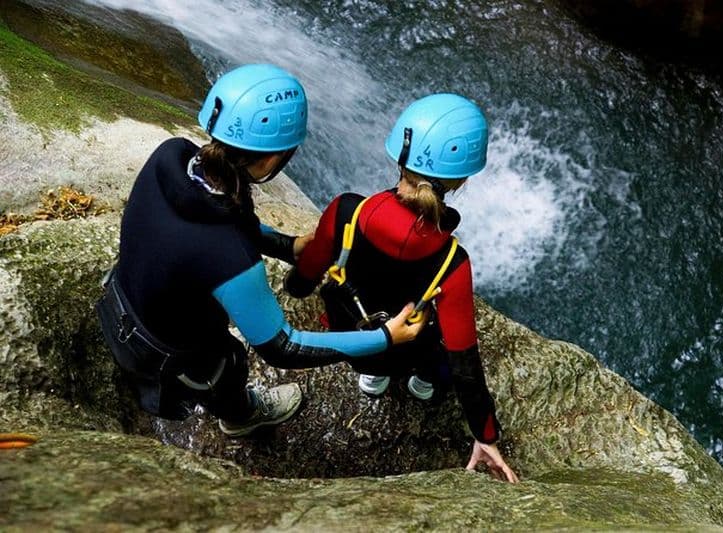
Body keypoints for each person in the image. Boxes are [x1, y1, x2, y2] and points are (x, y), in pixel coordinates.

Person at [95, 64, 424, 438]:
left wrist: (287, 246)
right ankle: (241, 416)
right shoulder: (231, 258)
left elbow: (223, 217)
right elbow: (283, 347)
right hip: (165, 352)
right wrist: (384, 338)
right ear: (270, 160)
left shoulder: (172, 156)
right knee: (228, 364)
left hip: (123, 300)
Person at [283, 93, 519, 482]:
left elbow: (307, 272)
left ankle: (371, 377)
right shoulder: (453, 263)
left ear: (399, 156)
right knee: (439, 361)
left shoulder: (347, 211)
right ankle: (422, 386)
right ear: (460, 180)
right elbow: (465, 364)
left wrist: (294, 285)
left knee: (370, 349)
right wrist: (485, 434)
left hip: (354, 338)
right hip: (409, 352)